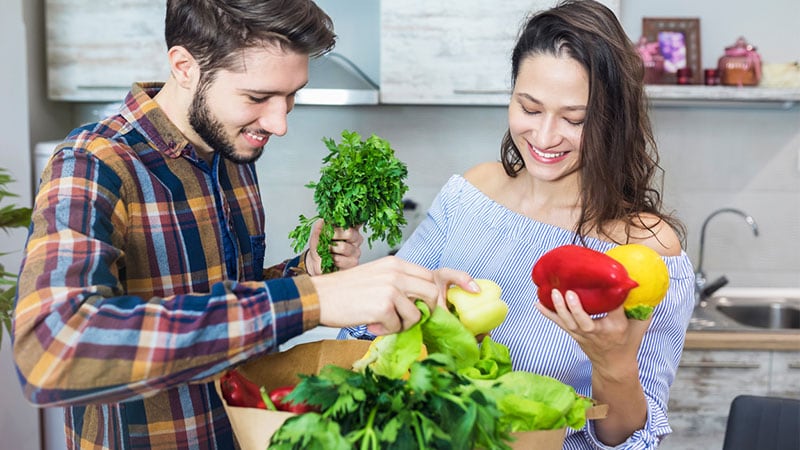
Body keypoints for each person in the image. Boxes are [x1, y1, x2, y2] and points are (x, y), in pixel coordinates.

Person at [12, 1, 474, 448]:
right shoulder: (96, 163)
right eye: (258, 97)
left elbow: (224, 295)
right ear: (185, 66)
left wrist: (306, 273)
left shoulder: (229, 151)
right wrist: (312, 300)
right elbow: (52, 351)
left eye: (292, 96)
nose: (279, 122)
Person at [342, 1, 695, 448]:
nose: (545, 137)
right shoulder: (470, 193)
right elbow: (357, 350)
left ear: (613, 123)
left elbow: (628, 440)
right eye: (529, 108)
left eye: (575, 120)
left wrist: (613, 364)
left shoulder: (645, 251)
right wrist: (410, 311)